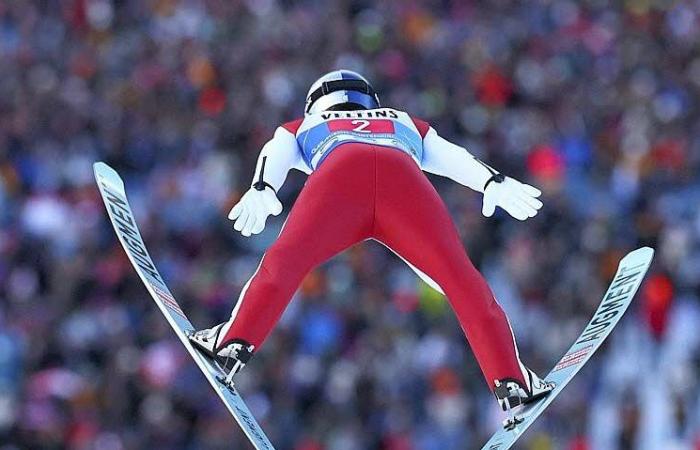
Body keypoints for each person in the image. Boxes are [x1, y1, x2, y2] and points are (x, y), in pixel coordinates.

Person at [189, 70, 554, 412]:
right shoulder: (402, 118)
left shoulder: (309, 122)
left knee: (284, 262)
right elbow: (450, 154)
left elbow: (277, 148)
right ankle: (510, 380)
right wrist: (492, 181)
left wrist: (263, 186)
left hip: (340, 176)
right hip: (404, 181)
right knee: (462, 280)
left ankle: (233, 343)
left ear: (315, 101)